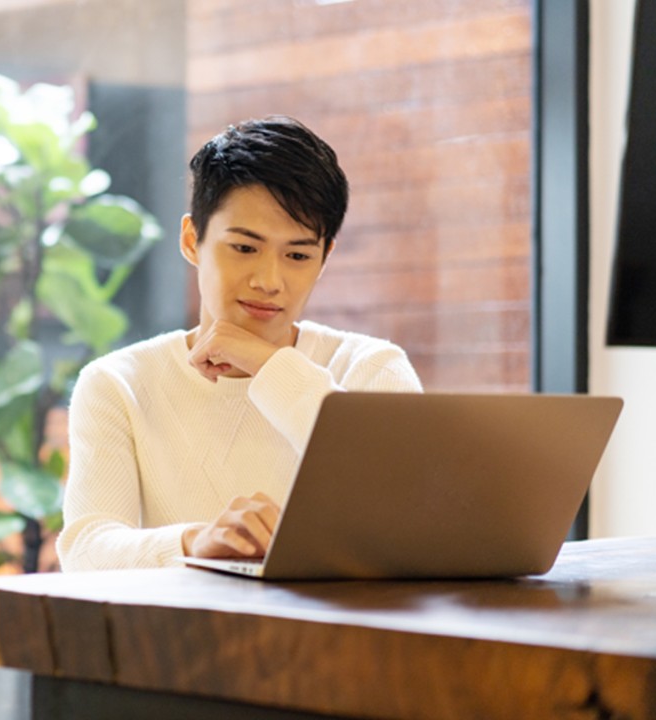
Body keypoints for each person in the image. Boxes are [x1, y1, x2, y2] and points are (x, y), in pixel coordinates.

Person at [56, 115, 423, 572]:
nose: (269, 281)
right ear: (192, 241)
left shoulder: (371, 367)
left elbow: (408, 506)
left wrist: (270, 367)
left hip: (335, 639)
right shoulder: (119, 384)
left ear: (325, 257)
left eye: (297, 255)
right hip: (186, 637)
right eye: (245, 248)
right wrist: (196, 541)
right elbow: (86, 549)